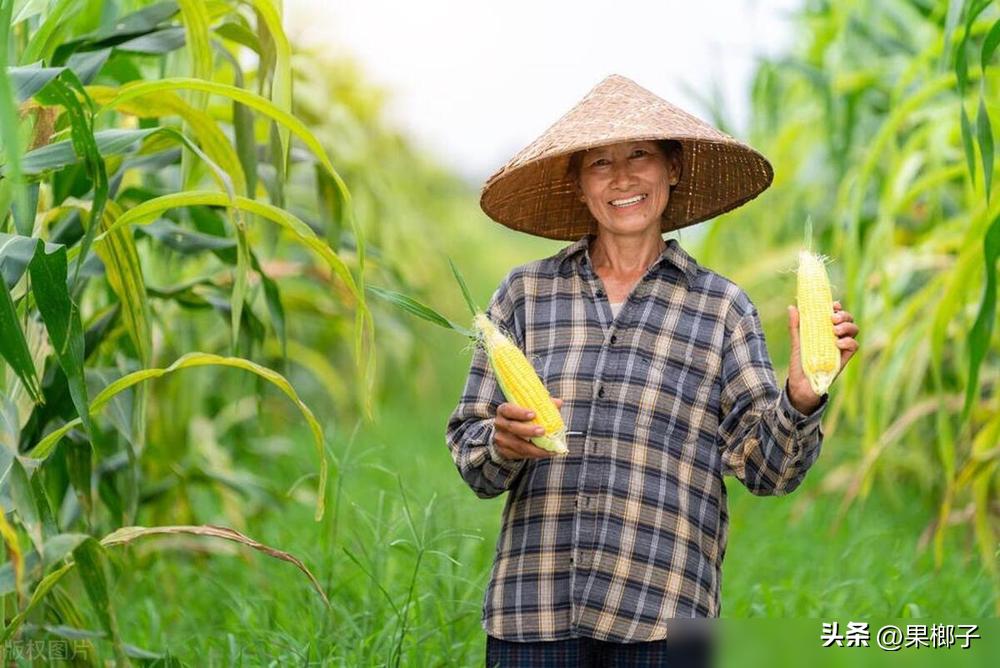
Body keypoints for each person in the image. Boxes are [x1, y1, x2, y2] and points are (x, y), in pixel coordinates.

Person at [445, 74, 859, 667]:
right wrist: (504, 443)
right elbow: (473, 457)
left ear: (673, 169)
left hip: (666, 623)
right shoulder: (524, 297)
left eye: (640, 154)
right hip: (532, 616)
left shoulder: (722, 309)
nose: (622, 178)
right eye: (599, 162)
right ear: (579, 186)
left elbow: (770, 474)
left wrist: (800, 394)